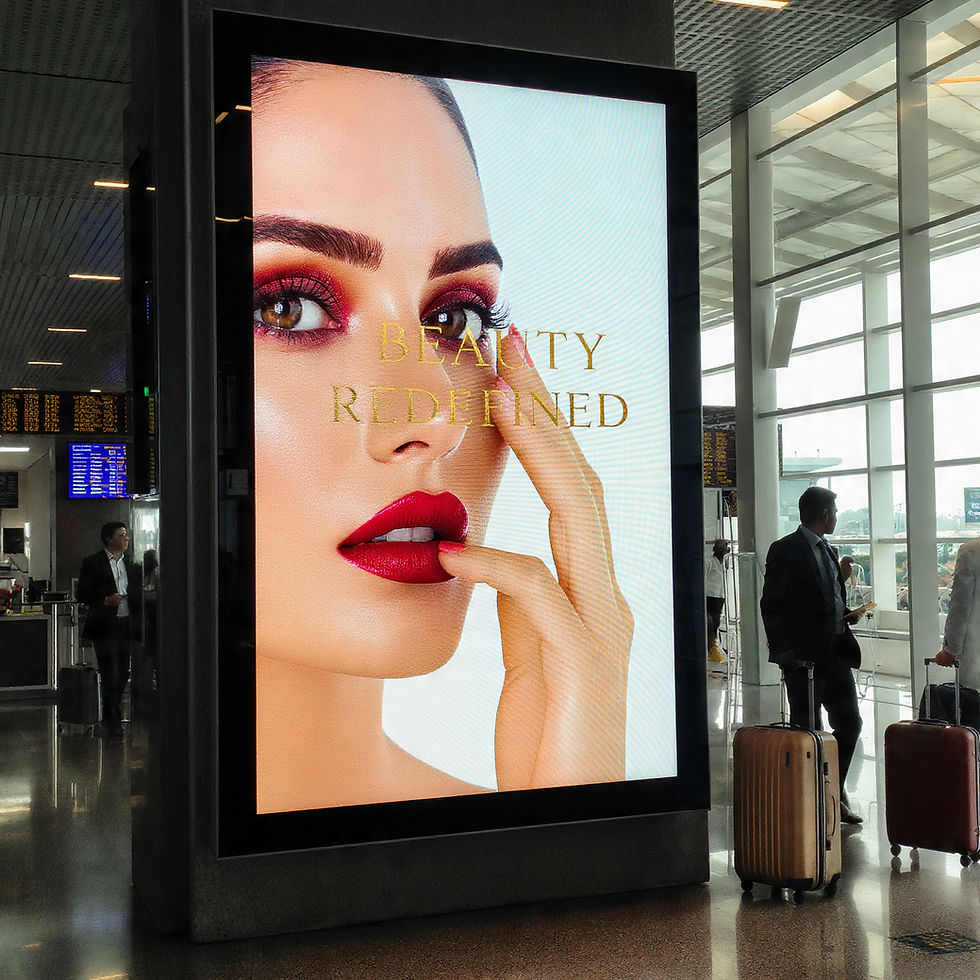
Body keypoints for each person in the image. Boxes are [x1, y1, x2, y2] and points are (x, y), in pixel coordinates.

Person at [250, 59, 633, 813]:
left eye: (453, 316)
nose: (438, 419)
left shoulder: (529, 833)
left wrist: (574, 831)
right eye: (290, 307)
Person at [760, 486, 864, 825]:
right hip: (804, 659)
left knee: (849, 724)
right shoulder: (785, 550)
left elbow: (829, 597)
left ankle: (833, 790)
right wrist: (782, 650)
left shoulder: (830, 551)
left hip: (836, 653)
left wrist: (848, 612)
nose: (836, 516)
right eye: (834, 510)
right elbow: (771, 604)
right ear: (824, 515)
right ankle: (811, 799)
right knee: (808, 729)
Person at [77, 522, 142, 737]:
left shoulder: (132, 564)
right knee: (110, 672)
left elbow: (136, 593)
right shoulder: (93, 563)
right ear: (109, 539)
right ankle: (113, 720)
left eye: (127, 535)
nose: (126, 538)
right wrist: (105, 600)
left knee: (123, 673)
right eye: (122, 535)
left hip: (126, 624)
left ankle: (110, 715)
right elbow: (83, 594)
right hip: (105, 626)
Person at [936, 538, 980, 694]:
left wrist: (950, 649)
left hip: (975, 656)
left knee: (972, 710)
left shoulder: (971, 550)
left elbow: (961, 605)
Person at [705, 539, 729, 664]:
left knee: (716, 622)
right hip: (710, 596)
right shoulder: (709, 561)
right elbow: (704, 578)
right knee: (711, 623)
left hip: (719, 596)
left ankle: (713, 646)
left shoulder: (723, 563)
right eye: (722, 548)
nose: (724, 551)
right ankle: (711, 647)